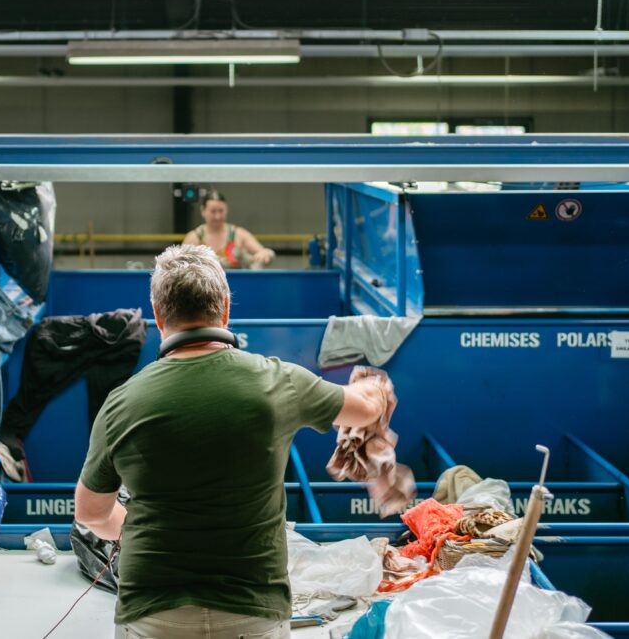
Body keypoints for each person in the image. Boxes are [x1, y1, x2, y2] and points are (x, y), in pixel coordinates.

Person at [74, 244, 399, 639]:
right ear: (226, 309)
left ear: (159, 316)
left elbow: (91, 514)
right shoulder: (277, 382)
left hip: (153, 612)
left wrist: (136, 530)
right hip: (252, 612)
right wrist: (376, 390)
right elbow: (365, 410)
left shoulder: (121, 403)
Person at [182, 190, 275, 269]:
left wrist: (266, 254)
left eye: (221, 211)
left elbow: (263, 252)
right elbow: (180, 265)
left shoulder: (239, 234)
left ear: (226, 209)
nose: (217, 216)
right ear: (203, 210)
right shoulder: (193, 238)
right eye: (213, 211)